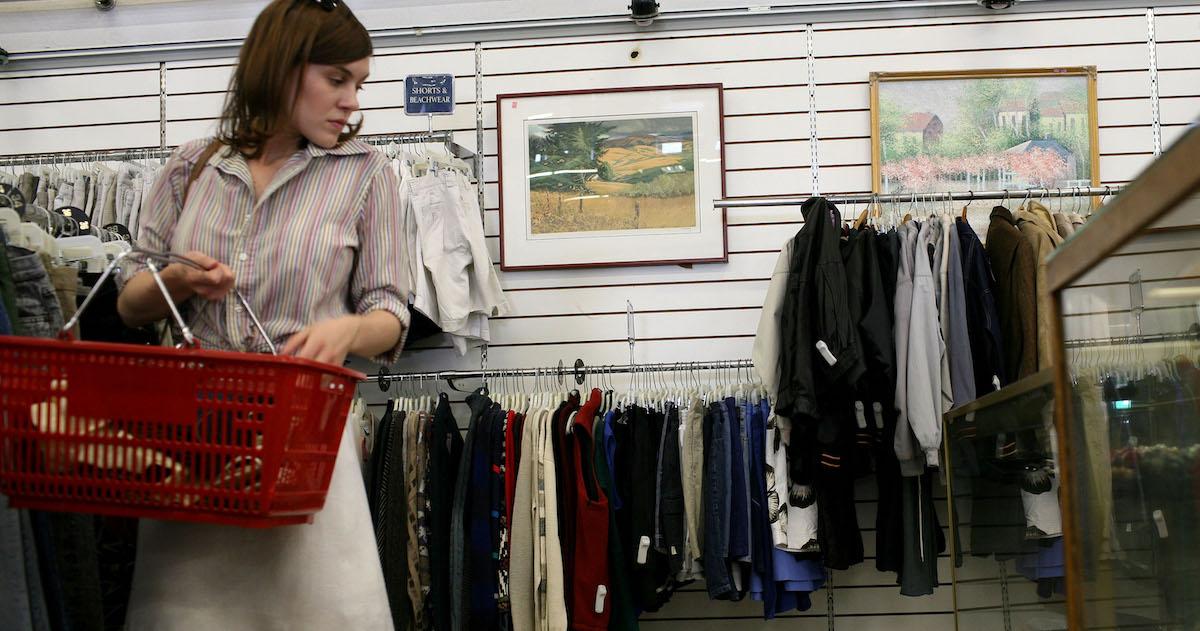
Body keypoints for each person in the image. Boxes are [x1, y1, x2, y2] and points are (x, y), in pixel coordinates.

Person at [116, 0, 405, 628]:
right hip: (191, 455)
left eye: (359, 84)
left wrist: (347, 329)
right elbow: (130, 302)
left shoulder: (366, 174)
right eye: (337, 79)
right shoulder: (189, 170)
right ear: (281, 68)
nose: (353, 101)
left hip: (306, 455)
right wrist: (180, 278)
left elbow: (391, 312)